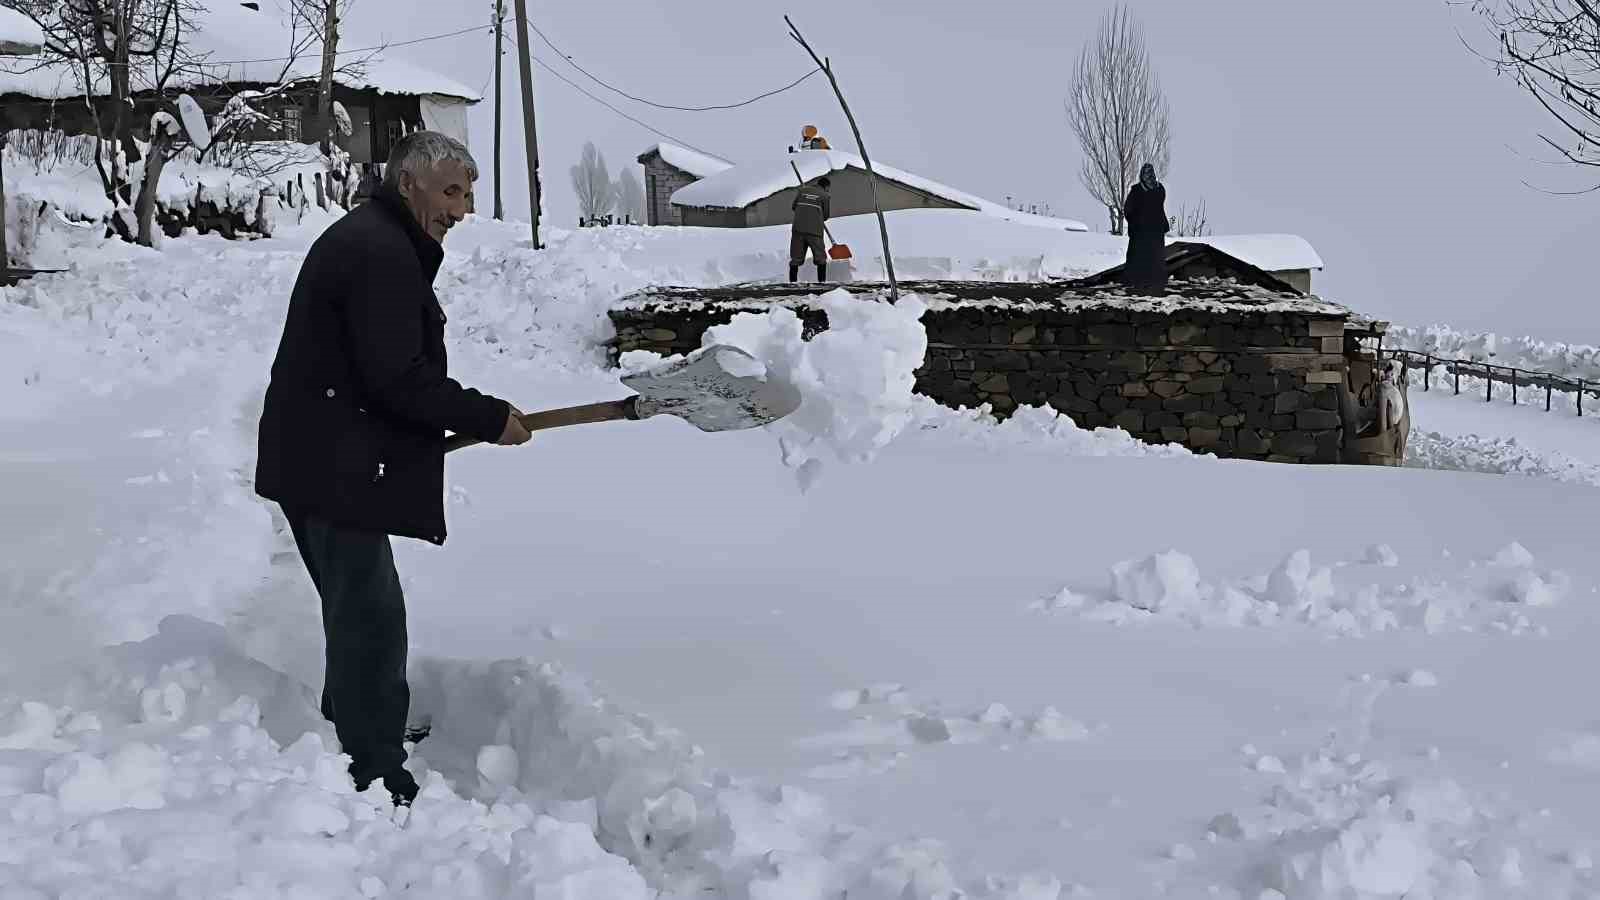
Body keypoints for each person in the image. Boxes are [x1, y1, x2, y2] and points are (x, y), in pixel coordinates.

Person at [254, 131, 533, 807]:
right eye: (450, 190)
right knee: (372, 619)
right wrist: (487, 417)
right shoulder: (380, 253)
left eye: (466, 193)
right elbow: (397, 378)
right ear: (409, 183)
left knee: (355, 610)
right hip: (331, 461)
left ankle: (355, 722)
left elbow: (375, 372)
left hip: (323, 452)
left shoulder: (377, 239)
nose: (461, 209)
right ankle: (375, 766)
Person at [1121, 162, 1169, 293]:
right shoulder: (1160, 189)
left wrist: (1134, 222)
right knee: (1155, 256)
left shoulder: (1137, 190)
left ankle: (1137, 281)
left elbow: (1128, 210)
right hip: (1154, 230)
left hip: (1142, 231)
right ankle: (1155, 280)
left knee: (1139, 256)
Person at [789, 175, 831, 283]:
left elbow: (794, 207)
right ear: (826, 186)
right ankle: (821, 283)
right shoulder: (825, 196)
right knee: (820, 257)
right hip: (815, 231)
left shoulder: (802, 191)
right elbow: (826, 216)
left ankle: (792, 283)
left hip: (798, 229)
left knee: (796, 258)